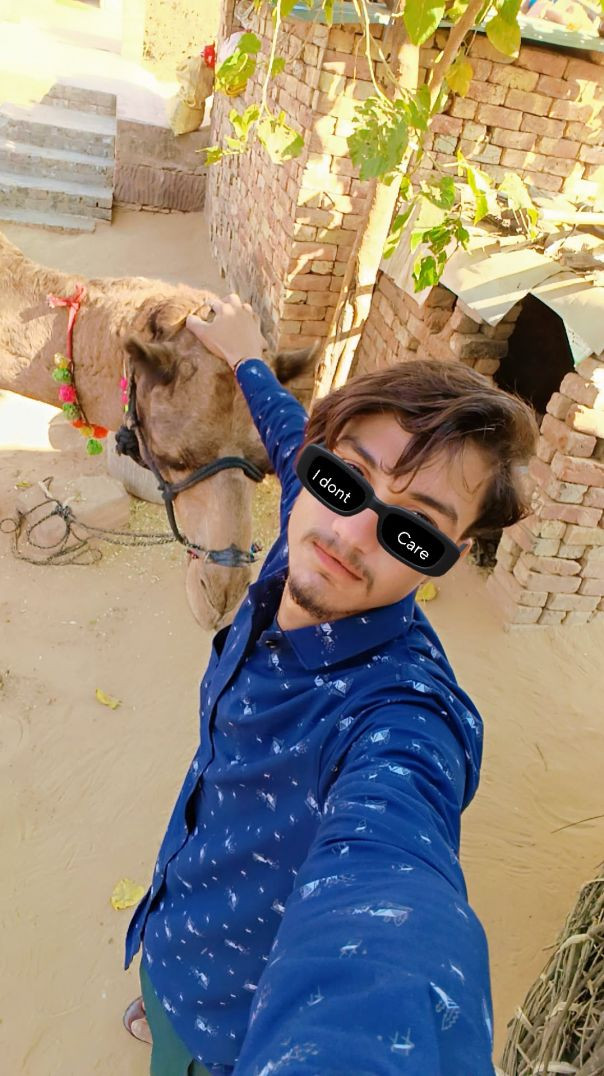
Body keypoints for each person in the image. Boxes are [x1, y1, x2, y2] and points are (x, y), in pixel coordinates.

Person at [122, 294, 539, 1075]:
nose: (351, 534)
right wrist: (246, 354)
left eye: (413, 529)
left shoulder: (401, 720)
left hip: (228, 1034)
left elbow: (395, 907)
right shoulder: (308, 524)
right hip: (178, 935)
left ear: (449, 555)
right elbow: (288, 430)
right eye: (348, 478)